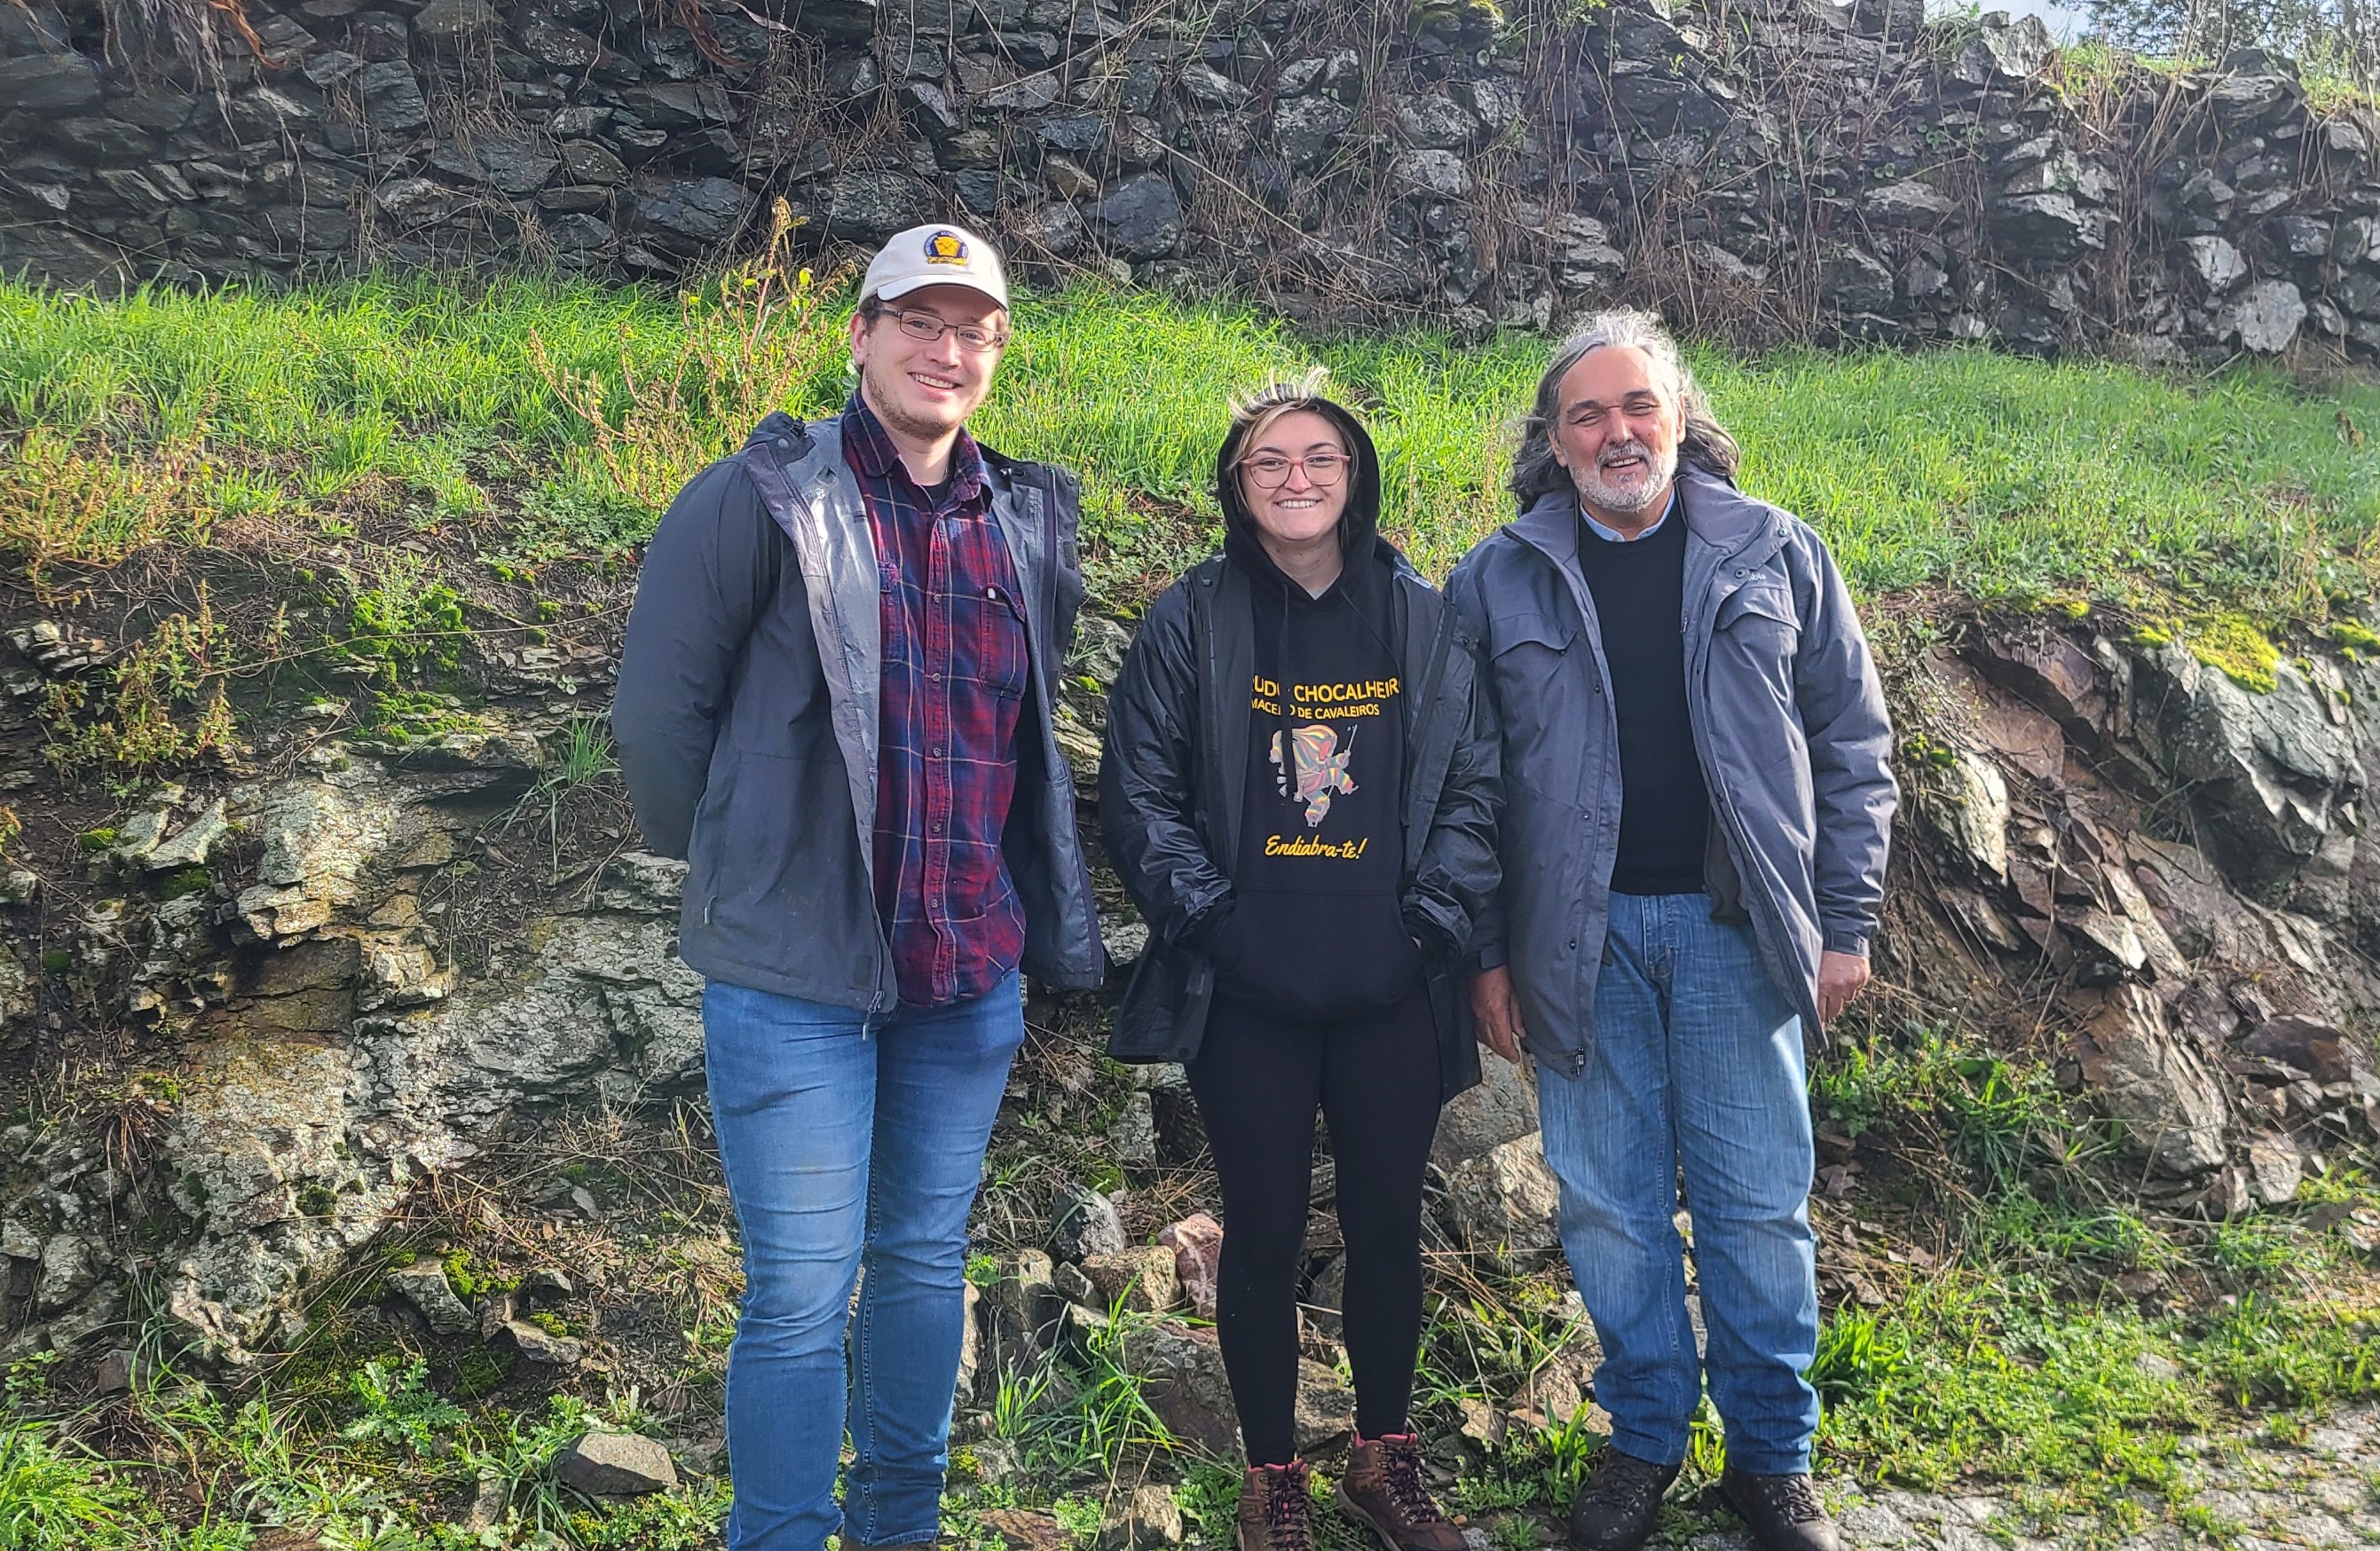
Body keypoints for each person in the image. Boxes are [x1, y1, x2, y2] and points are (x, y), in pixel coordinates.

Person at [612, 223, 1105, 1551]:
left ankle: (900, 1528)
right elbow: (659, 720)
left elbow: (1019, 735)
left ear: (996, 353)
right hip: (796, 979)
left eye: (975, 330)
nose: (947, 350)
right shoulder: (760, 495)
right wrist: (747, 864)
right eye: (918, 321)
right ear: (861, 333)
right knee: (798, 1289)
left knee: (922, 1268)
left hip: (963, 979)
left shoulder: (1027, 517)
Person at [1446, 311, 1897, 1551]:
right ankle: (1643, 1436)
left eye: (1635, 404)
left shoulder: (1775, 552)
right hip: (1572, 946)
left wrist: (1842, 920)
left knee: (1758, 1206)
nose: (1614, 431)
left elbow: (1852, 747)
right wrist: (1486, 950)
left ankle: (1770, 1458)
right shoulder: (1496, 578)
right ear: (1551, 441)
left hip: (1735, 935)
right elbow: (1462, 788)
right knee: (1605, 1206)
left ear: (1680, 414)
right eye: (1584, 414)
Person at [1099, 374, 1502, 1551]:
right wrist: (1217, 923)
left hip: (1391, 980)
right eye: (1269, 460)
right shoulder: (1192, 618)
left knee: (1384, 1221)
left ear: (1354, 474)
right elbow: (1140, 794)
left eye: (1318, 456)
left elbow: (1477, 783)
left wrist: (1427, 922)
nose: (1296, 478)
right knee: (1263, 1226)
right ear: (1236, 483)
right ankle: (1271, 1475)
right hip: (1248, 986)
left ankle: (1385, 1461)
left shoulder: (1421, 618)